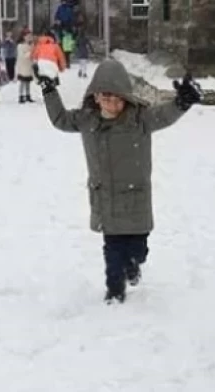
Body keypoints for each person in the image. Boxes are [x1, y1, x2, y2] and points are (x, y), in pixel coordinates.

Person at [36, 59, 201, 303]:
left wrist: (182, 102)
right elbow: (60, 119)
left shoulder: (139, 120)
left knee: (137, 251)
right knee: (112, 254)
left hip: (135, 200)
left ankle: (133, 266)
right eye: (106, 97)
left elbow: (164, 115)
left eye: (118, 98)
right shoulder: (86, 120)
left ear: (126, 97)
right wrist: (49, 89)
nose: (112, 103)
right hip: (106, 201)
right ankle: (114, 295)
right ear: (95, 96)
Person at [15, 33, 36, 103]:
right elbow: (22, 56)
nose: (29, 38)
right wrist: (30, 53)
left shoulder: (32, 45)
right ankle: (20, 96)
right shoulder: (20, 46)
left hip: (29, 66)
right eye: (27, 37)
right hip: (22, 66)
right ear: (24, 37)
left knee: (28, 82)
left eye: (30, 37)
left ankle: (28, 95)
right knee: (22, 82)